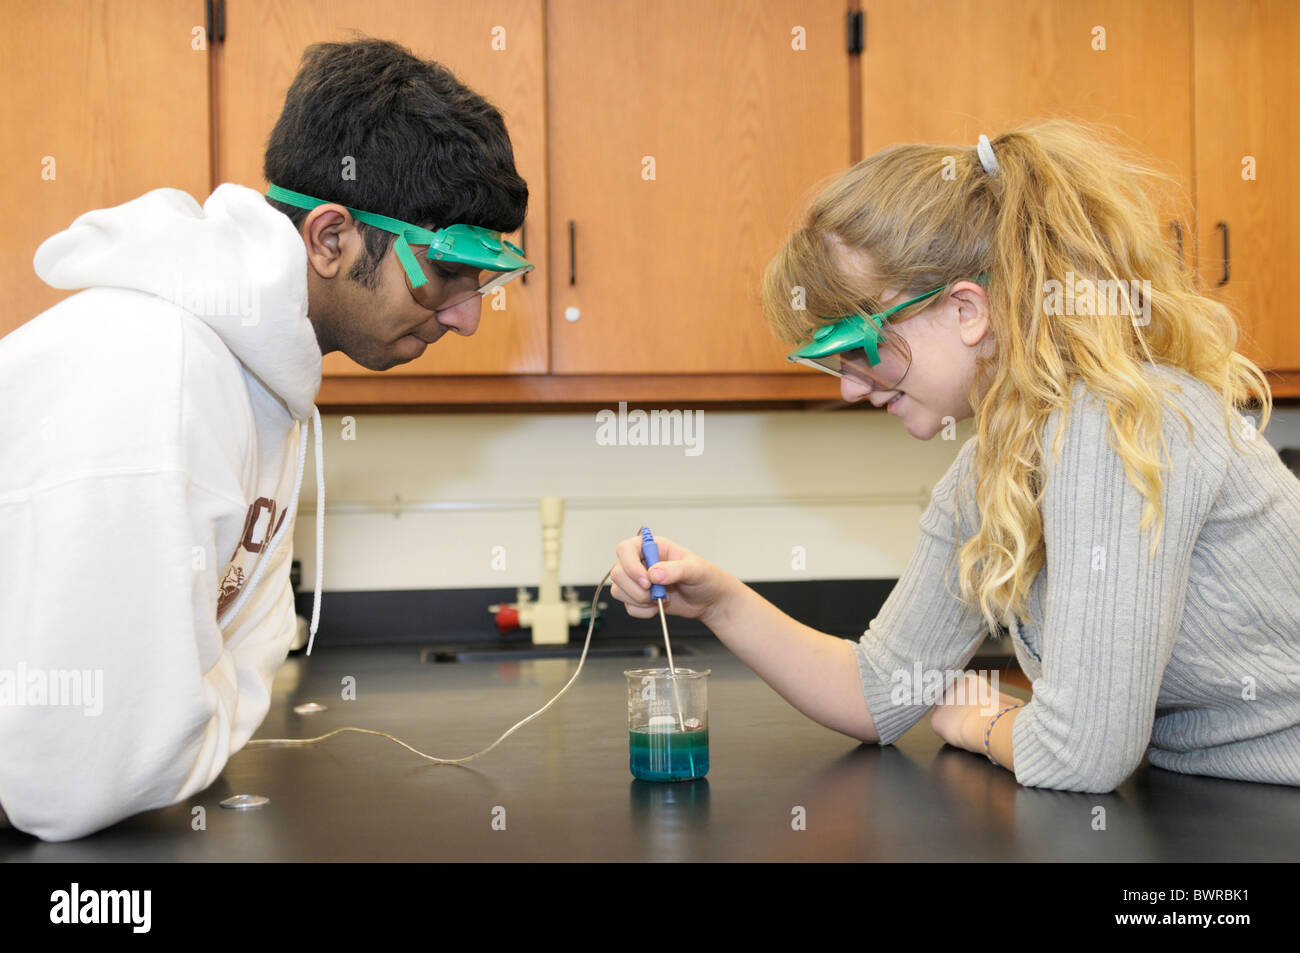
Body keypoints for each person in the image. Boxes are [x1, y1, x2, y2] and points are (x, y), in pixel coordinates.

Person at [612, 120, 1300, 792]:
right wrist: (720, 601)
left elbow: (1082, 755)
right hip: (1225, 795)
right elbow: (880, 691)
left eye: (858, 346)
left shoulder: (1114, 426)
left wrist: (986, 721)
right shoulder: (989, 468)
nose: (851, 385)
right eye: (831, 361)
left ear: (968, 309)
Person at [0, 38, 529, 841]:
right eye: (446, 269)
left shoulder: (257, 381)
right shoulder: (160, 374)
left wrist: (188, 709)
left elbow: (235, 647)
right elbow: (80, 777)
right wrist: (186, 710)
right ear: (329, 237)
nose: (466, 315)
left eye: (484, 280)